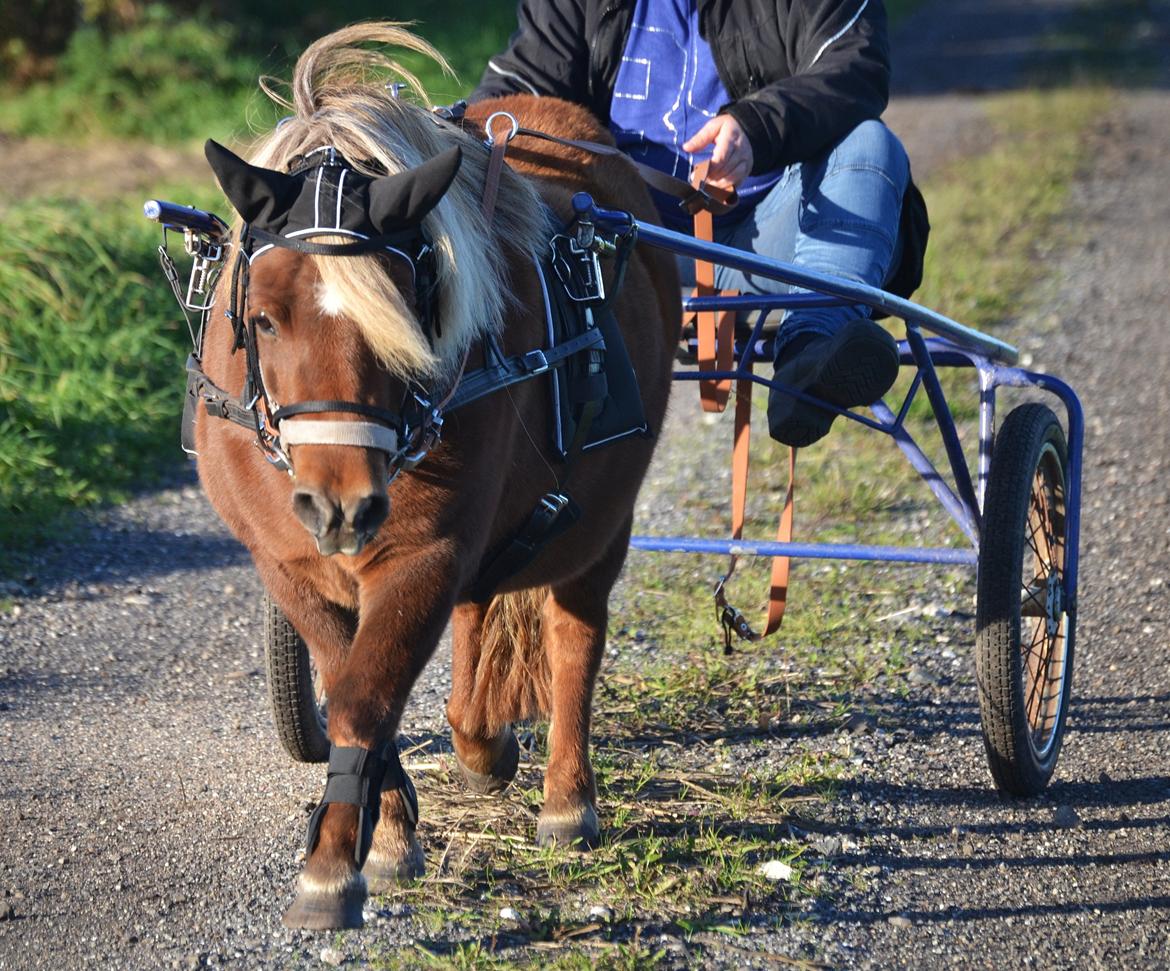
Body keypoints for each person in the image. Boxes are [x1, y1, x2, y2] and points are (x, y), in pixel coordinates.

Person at [472, 0, 927, 447]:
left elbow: (854, 64)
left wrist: (756, 128)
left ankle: (810, 356)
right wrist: (445, 137)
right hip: (626, 253)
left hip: (777, 246)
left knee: (870, 143)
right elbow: (519, 93)